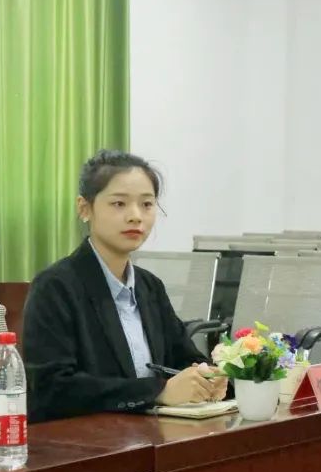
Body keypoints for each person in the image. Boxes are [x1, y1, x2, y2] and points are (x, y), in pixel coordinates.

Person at [22, 149, 227, 422]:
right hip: (85, 440)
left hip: (151, 434)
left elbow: (182, 358)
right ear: (85, 208)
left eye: (147, 204)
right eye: (119, 204)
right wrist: (158, 391)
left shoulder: (149, 286)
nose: (135, 216)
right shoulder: (55, 287)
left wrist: (207, 377)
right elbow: (53, 389)